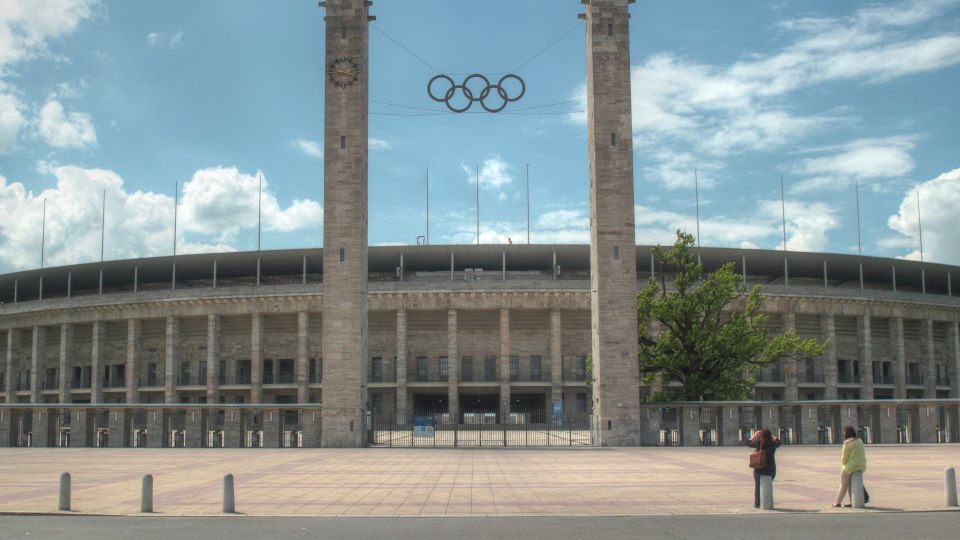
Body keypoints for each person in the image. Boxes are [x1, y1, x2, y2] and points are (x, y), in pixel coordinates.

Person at [833, 425, 868, 507]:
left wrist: (844, 465)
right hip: (862, 465)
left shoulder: (847, 443)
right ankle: (851, 501)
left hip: (851, 466)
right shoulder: (860, 441)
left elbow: (844, 458)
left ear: (846, 433)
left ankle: (837, 502)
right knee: (850, 482)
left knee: (843, 484)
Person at [747, 428, 781, 508]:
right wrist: (772, 436)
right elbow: (779, 442)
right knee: (767, 485)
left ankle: (757, 503)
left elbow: (748, 443)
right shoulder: (773, 444)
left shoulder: (759, 443)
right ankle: (766, 500)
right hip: (771, 469)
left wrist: (755, 435)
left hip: (759, 468)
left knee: (758, 486)